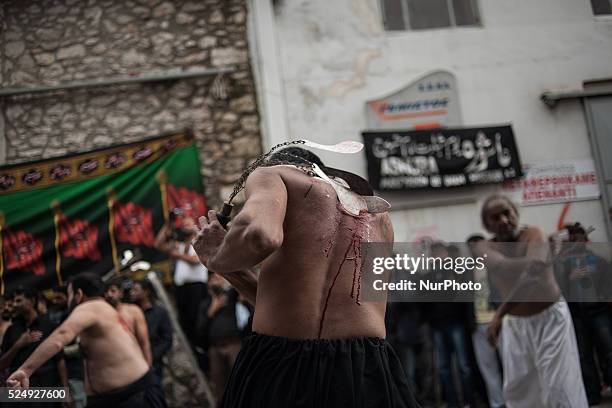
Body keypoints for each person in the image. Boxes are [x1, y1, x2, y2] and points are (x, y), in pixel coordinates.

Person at [193, 146, 417, 407]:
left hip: (281, 362)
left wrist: (216, 255)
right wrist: (229, 269)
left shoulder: (273, 174)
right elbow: (317, 312)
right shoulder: (379, 216)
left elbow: (261, 236)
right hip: (364, 365)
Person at [474, 194, 588, 407]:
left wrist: (499, 313)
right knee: (520, 391)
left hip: (550, 319)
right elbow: (513, 267)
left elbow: (532, 278)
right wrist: (538, 259)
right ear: (487, 224)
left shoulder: (535, 234)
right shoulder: (482, 247)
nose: (504, 221)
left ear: (515, 212)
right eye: (495, 217)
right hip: (516, 324)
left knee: (559, 387)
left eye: (507, 213)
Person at [6, 272, 167, 408]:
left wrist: (25, 370)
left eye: (69, 295)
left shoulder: (91, 306)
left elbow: (61, 335)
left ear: (79, 294)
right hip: (114, 397)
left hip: (134, 396)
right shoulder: (102, 312)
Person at [555, 222, 612, 405]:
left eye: (579, 239)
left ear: (586, 240)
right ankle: (592, 394)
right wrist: (568, 278)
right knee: (583, 355)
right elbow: (556, 290)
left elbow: (608, 286)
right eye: (572, 240)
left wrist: (603, 297)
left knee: (609, 351)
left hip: (599, 312)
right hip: (576, 315)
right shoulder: (561, 263)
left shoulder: (598, 260)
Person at [422, 242, 475, 408]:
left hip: (456, 322)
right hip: (438, 325)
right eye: (434, 253)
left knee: (464, 365)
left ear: (446, 254)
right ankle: (452, 402)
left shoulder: (457, 271)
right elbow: (424, 298)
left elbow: (463, 294)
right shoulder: (429, 275)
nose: (437, 256)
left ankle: (468, 401)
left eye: (440, 252)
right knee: (444, 367)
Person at [0, 287, 69, 406]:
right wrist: (18, 345)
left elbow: (59, 359)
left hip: (47, 387)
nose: (15, 305)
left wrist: (66, 391)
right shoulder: (12, 330)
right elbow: (2, 364)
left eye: (19, 301)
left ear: (31, 301)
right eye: (14, 301)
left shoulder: (47, 324)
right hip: (19, 391)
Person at [196, 272, 250, 406]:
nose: (216, 279)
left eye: (219, 277)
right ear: (208, 283)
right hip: (215, 348)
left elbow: (241, 284)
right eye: (213, 277)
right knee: (220, 385)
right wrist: (212, 311)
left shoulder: (230, 297)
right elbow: (200, 330)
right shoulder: (205, 304)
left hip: (234, 344)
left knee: (240, 380)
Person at [155, 216, 208, 348]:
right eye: (183, 225)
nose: (185, 227)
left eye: (188, 224)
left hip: (196, 288)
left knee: (197, 320)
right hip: (181, 289)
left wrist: (178, 256)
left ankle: (202, 346)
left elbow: (196, 260)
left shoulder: (200, 241)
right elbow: (158, 244)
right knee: (185, 321)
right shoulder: (179, 245)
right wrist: (168, 225)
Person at [466, 234, 505, 408]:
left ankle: (515, 401)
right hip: (478, 324)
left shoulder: (497, 266)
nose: (475, 250)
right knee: (488, 368)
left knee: (510, 363)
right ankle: (498, 403)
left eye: (478, 245)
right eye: (472, 247)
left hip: (500, 321)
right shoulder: (465, 270)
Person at [131, 279, 173, 383]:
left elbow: (167, 338)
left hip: (156, 361)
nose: (132, 292)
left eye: (136, 290)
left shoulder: (159, 312)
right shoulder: (132, 314)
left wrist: (153, 355)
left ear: (146, 292)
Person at [105, 278, 153, 366]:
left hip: (139, 358)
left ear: (120, 293)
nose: (109, 294)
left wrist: (148, 364)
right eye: (106, 292)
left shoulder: (133, 311)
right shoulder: (104, 316)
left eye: (113, 291)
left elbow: (144, 341)